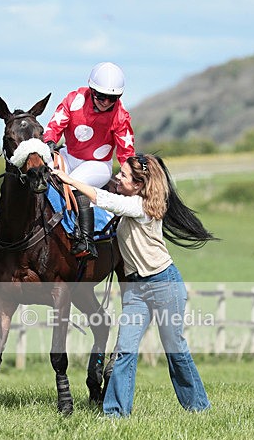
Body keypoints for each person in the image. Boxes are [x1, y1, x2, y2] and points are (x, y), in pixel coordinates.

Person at [54, 153, 214, 417]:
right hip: (136, 290)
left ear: (139, 185)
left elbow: (103, 198)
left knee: (175, 349)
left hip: (164, 284)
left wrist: (68, 179)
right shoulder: (129, 204)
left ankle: (198, 407)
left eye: (124, 175)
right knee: (124, 351)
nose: (117, 176)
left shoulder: (140, 207)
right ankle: (115, 413)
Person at [43, 61, 135, 258]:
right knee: (41, 173)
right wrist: (50, 141)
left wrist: (130, 175)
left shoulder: (120, 115)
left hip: (98, 164)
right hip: (68, 155)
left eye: (113, 98)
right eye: (102, 97)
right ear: (92, 90)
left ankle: (86, 241)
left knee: (75, 184)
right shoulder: (73, 99)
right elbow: (55, 125)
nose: (106, 102)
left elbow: (126, 152)